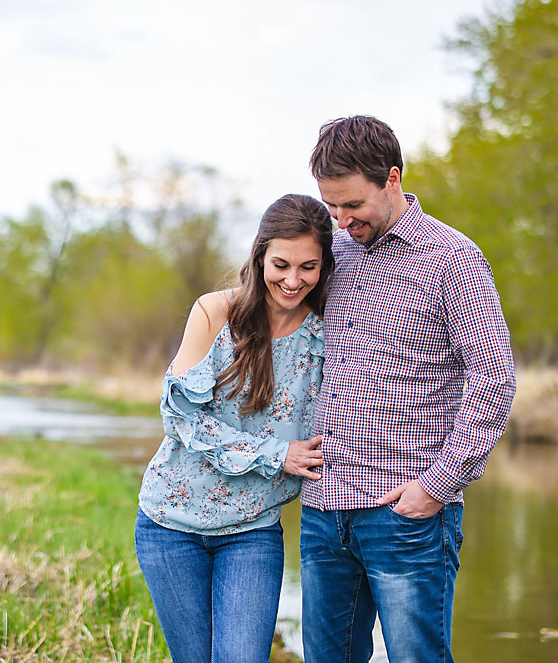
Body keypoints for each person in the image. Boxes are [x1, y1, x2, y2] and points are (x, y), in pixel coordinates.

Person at [299, 115, 517, 663]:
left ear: (392, 179)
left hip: (405, 513)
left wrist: (434, 487)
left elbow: (494, 380)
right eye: (331, 208)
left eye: (352, 206)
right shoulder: (334, 254)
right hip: (325, 511)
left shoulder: (453, 259)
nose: (342, 221)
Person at [135, 193, 334, 663]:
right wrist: (276, 455)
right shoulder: (214, 313)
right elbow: (180, 415)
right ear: (260, 253)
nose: (292, 280)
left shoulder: (325, 335)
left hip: (252, 530)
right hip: (169, 525)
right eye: (281, 263)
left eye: (308, 267)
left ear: (324, 265)